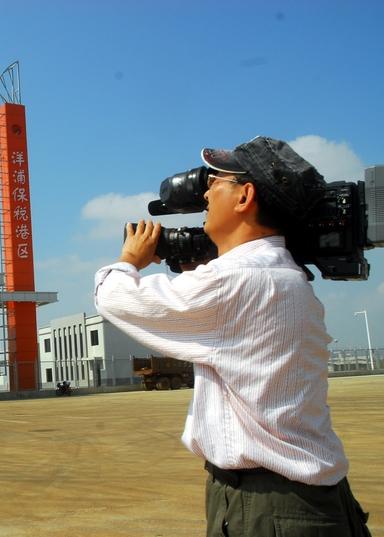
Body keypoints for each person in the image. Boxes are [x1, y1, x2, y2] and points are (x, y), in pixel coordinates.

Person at [94, 136, 371, 536]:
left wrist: (129, 260)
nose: (206, 192)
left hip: (268, 506)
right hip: (306, 500)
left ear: (245, 196)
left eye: (216, 182)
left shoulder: (237, 280)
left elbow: (115, 298)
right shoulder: (285, 275)